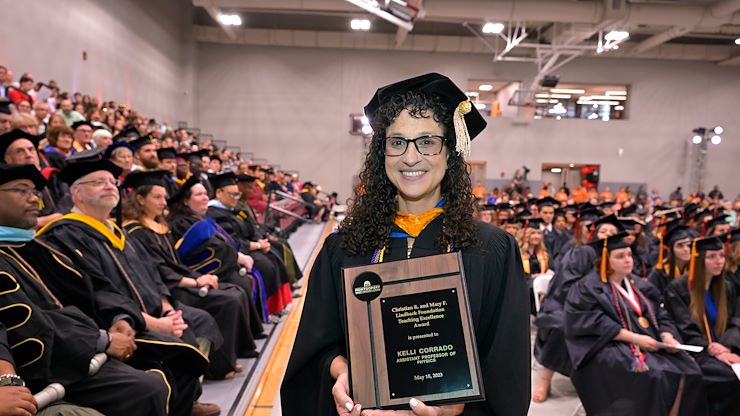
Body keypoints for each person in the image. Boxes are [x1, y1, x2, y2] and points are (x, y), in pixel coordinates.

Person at [281, 73, 530, 415]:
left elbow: (506, 370)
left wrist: (452, 409)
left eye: (427, 141)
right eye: (397, 142)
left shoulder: (491, 250)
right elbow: (317, 347)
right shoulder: (344, 249)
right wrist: (341, 372)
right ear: (381, 153)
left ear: (451, 151)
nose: (410, 158)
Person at [36, 160, 220, 416]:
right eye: (99, 182)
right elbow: (97, 295)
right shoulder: (65, 235)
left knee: (197, 321)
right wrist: (154, 323)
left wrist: (167, 311)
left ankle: (186, 401)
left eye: (112, 182)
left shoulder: (119, 232)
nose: (109, 186)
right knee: (179, 351)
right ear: (76, 193)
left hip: (154, 315)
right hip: (121, 326)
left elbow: (152, 276)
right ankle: (177, 405)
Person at [0, 163, 170, 415]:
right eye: (22, 190)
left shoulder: (41, 246)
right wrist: (101, 340)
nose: (34, 199)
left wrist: (118, 317)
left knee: (171, 360)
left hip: (81, 344)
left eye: (35, 192)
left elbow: (93, 286)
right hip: (50, 363)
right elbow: (29, 320)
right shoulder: (51, 238)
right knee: (147, 385)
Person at [121, 170, 260, 378]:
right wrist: (195, 281)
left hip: (177, 282)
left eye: (163, 197)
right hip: (167, 289)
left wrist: (200, 277)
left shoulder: (158, 227)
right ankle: (217, 367)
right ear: (140, 200)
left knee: (235, 291)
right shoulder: (136, 232)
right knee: (227, 300)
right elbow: (159, 270)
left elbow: (175, 264)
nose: (163, 202)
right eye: (157, 197)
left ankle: (229, 357)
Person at [565, 232, 708, 415]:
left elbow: (661, 313)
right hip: (609, 346)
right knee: (656, 375)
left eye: (629, 255)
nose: (627, 260)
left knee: (690, 371)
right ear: (604, 260)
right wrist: (635, 338)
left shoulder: (640, 285)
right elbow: (591, 322)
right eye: (620, 256)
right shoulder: (588, 287)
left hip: (650, 343)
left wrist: (667, 335)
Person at [663, 236, 740, 415]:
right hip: (698, 353)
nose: (719, 261)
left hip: (727, 349)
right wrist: (715, 351)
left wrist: (727, 346)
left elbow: (736, 319)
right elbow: (685, 327)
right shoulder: (679, 288)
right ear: (699, 259)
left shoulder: (725, 287)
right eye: (711, 257)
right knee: (730, 378)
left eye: (721, 255)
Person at [206, 172, 293, 315]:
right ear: (219, 193)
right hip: (240, 251)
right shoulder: (215, 212)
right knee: (265, 265)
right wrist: (256, 246)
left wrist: (260, 240)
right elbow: (231, 239)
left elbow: (252, 227)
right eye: (231, 195)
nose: (235, 198)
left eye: (237, 195)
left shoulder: (237, 209)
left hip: (251, 245)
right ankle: (266, 310)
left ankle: (278, 305)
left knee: (273, 256)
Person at [648, 224, 692, 297]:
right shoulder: (659, 273)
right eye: (680, 246)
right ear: (671, 250)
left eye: (688, 245)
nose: (686, 249)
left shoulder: (694, 268)